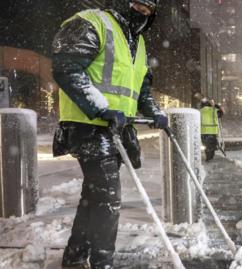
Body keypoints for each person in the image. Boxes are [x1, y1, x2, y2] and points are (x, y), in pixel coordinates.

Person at [51, 1, 167, 268]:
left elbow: (142, 90)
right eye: (138, 4)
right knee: (108, 198)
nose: (142, 13)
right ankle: (103, 263)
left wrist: (154, 112)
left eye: (149, 11)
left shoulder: (137, 43)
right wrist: (100, 107)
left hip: (114, 129)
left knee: (95, 197)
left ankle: (75, 256)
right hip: (87, 125)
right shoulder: (93, 23)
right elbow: (66, 67)